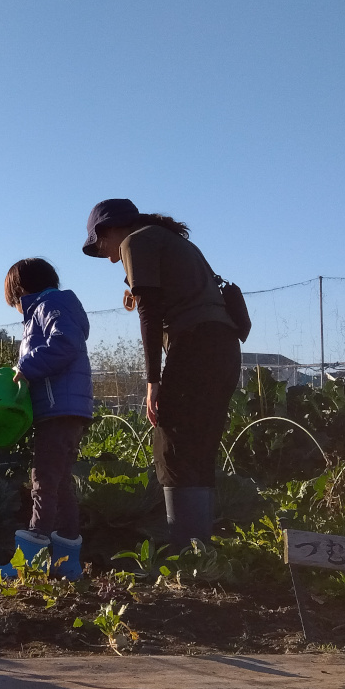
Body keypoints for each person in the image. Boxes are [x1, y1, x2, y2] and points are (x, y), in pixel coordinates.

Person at [82, 199, 241, 545]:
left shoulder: (134, 241)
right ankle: (200, 548)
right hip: (225, 348)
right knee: (199, 447)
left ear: (109, 230)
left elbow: (150, 315)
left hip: (196, 348)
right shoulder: (169, 240)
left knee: (171, 445)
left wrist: (152, 380)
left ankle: (184, 549)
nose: (108, 256)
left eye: (102, 244)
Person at [0, 257, 93, 582]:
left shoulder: (49, 304)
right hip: (66, 410)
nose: (17, 309)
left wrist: (25, 368)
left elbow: (64, 344)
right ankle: (67, 563)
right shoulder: (56, 304)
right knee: (61, 483)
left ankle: (29, 565)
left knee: (43, 481)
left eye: (14, 302)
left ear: (20, 291)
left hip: (59, 410)